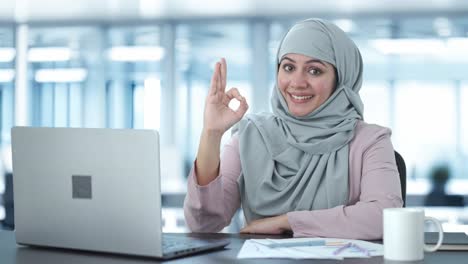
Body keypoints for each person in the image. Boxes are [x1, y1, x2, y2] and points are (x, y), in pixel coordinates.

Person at [183, 18, 403, 239]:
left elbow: (386, 218)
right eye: (288, 67)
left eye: (315, 71)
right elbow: (204, 224)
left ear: (341, 79)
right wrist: (211, 133)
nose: (297, 82)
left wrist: (288, 222)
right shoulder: (251, 135)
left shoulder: (370, 140)